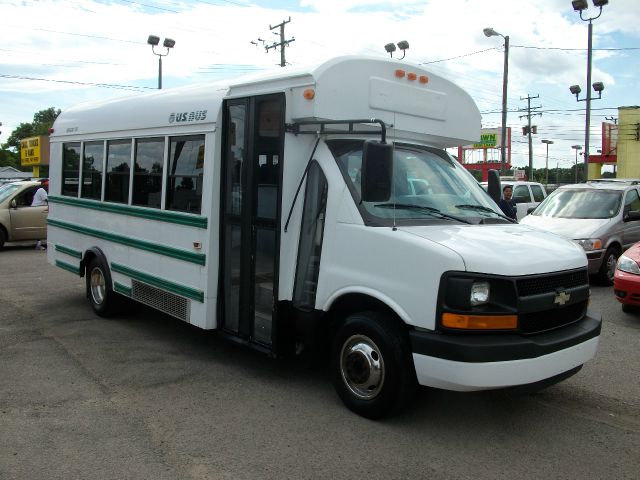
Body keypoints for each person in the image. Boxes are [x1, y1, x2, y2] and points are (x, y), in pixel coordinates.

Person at [31, 180, 48, 250]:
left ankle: (39, 243)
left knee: (40, 226)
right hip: (38, 209)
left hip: (38, 209)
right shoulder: (42, 190)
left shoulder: (41, 190)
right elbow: (47, 200)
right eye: (46, 184)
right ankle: (39, 244)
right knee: (40, 226)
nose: (48, 186)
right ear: (43, 184)